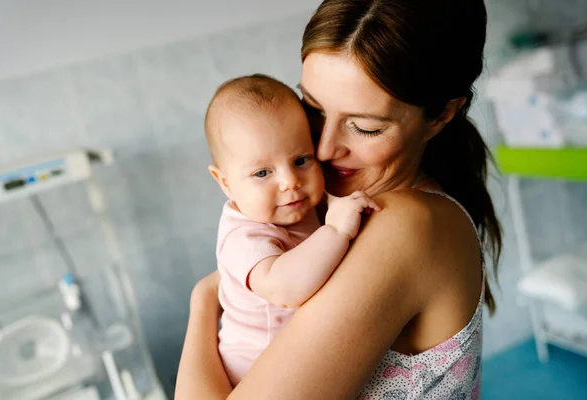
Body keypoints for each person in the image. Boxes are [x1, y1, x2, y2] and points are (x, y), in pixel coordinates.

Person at [175, 0, 502, 398]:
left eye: (364, 128)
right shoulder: (342, 208)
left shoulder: (404, 226)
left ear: (440, 116)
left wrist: (204, 300)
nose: (325, 149)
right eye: (312, 110)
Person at [203, 74, 380, 386]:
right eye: (262, 172)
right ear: (225, 182)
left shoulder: (301, 207)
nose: (290, 182)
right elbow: (283, 289)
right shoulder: (243, 236)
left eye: (301, 160)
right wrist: (336, 231)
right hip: (253, 377)